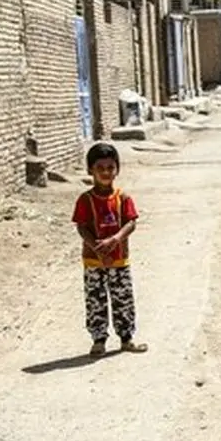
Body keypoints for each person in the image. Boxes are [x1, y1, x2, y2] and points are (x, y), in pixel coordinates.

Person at [72, 142, 148, 358]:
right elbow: (81, 226)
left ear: (117, 169)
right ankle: (98, 340)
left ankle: (126, 338)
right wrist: (97, 248)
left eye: (110, 168)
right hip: (93, 261)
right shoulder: (85, 200)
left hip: (119, 260)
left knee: (123, 299)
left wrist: (115, 239)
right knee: (95, 300)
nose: (106, 172)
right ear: (90, 170)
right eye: (100, 168)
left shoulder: (123, 198)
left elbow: (131, 223)